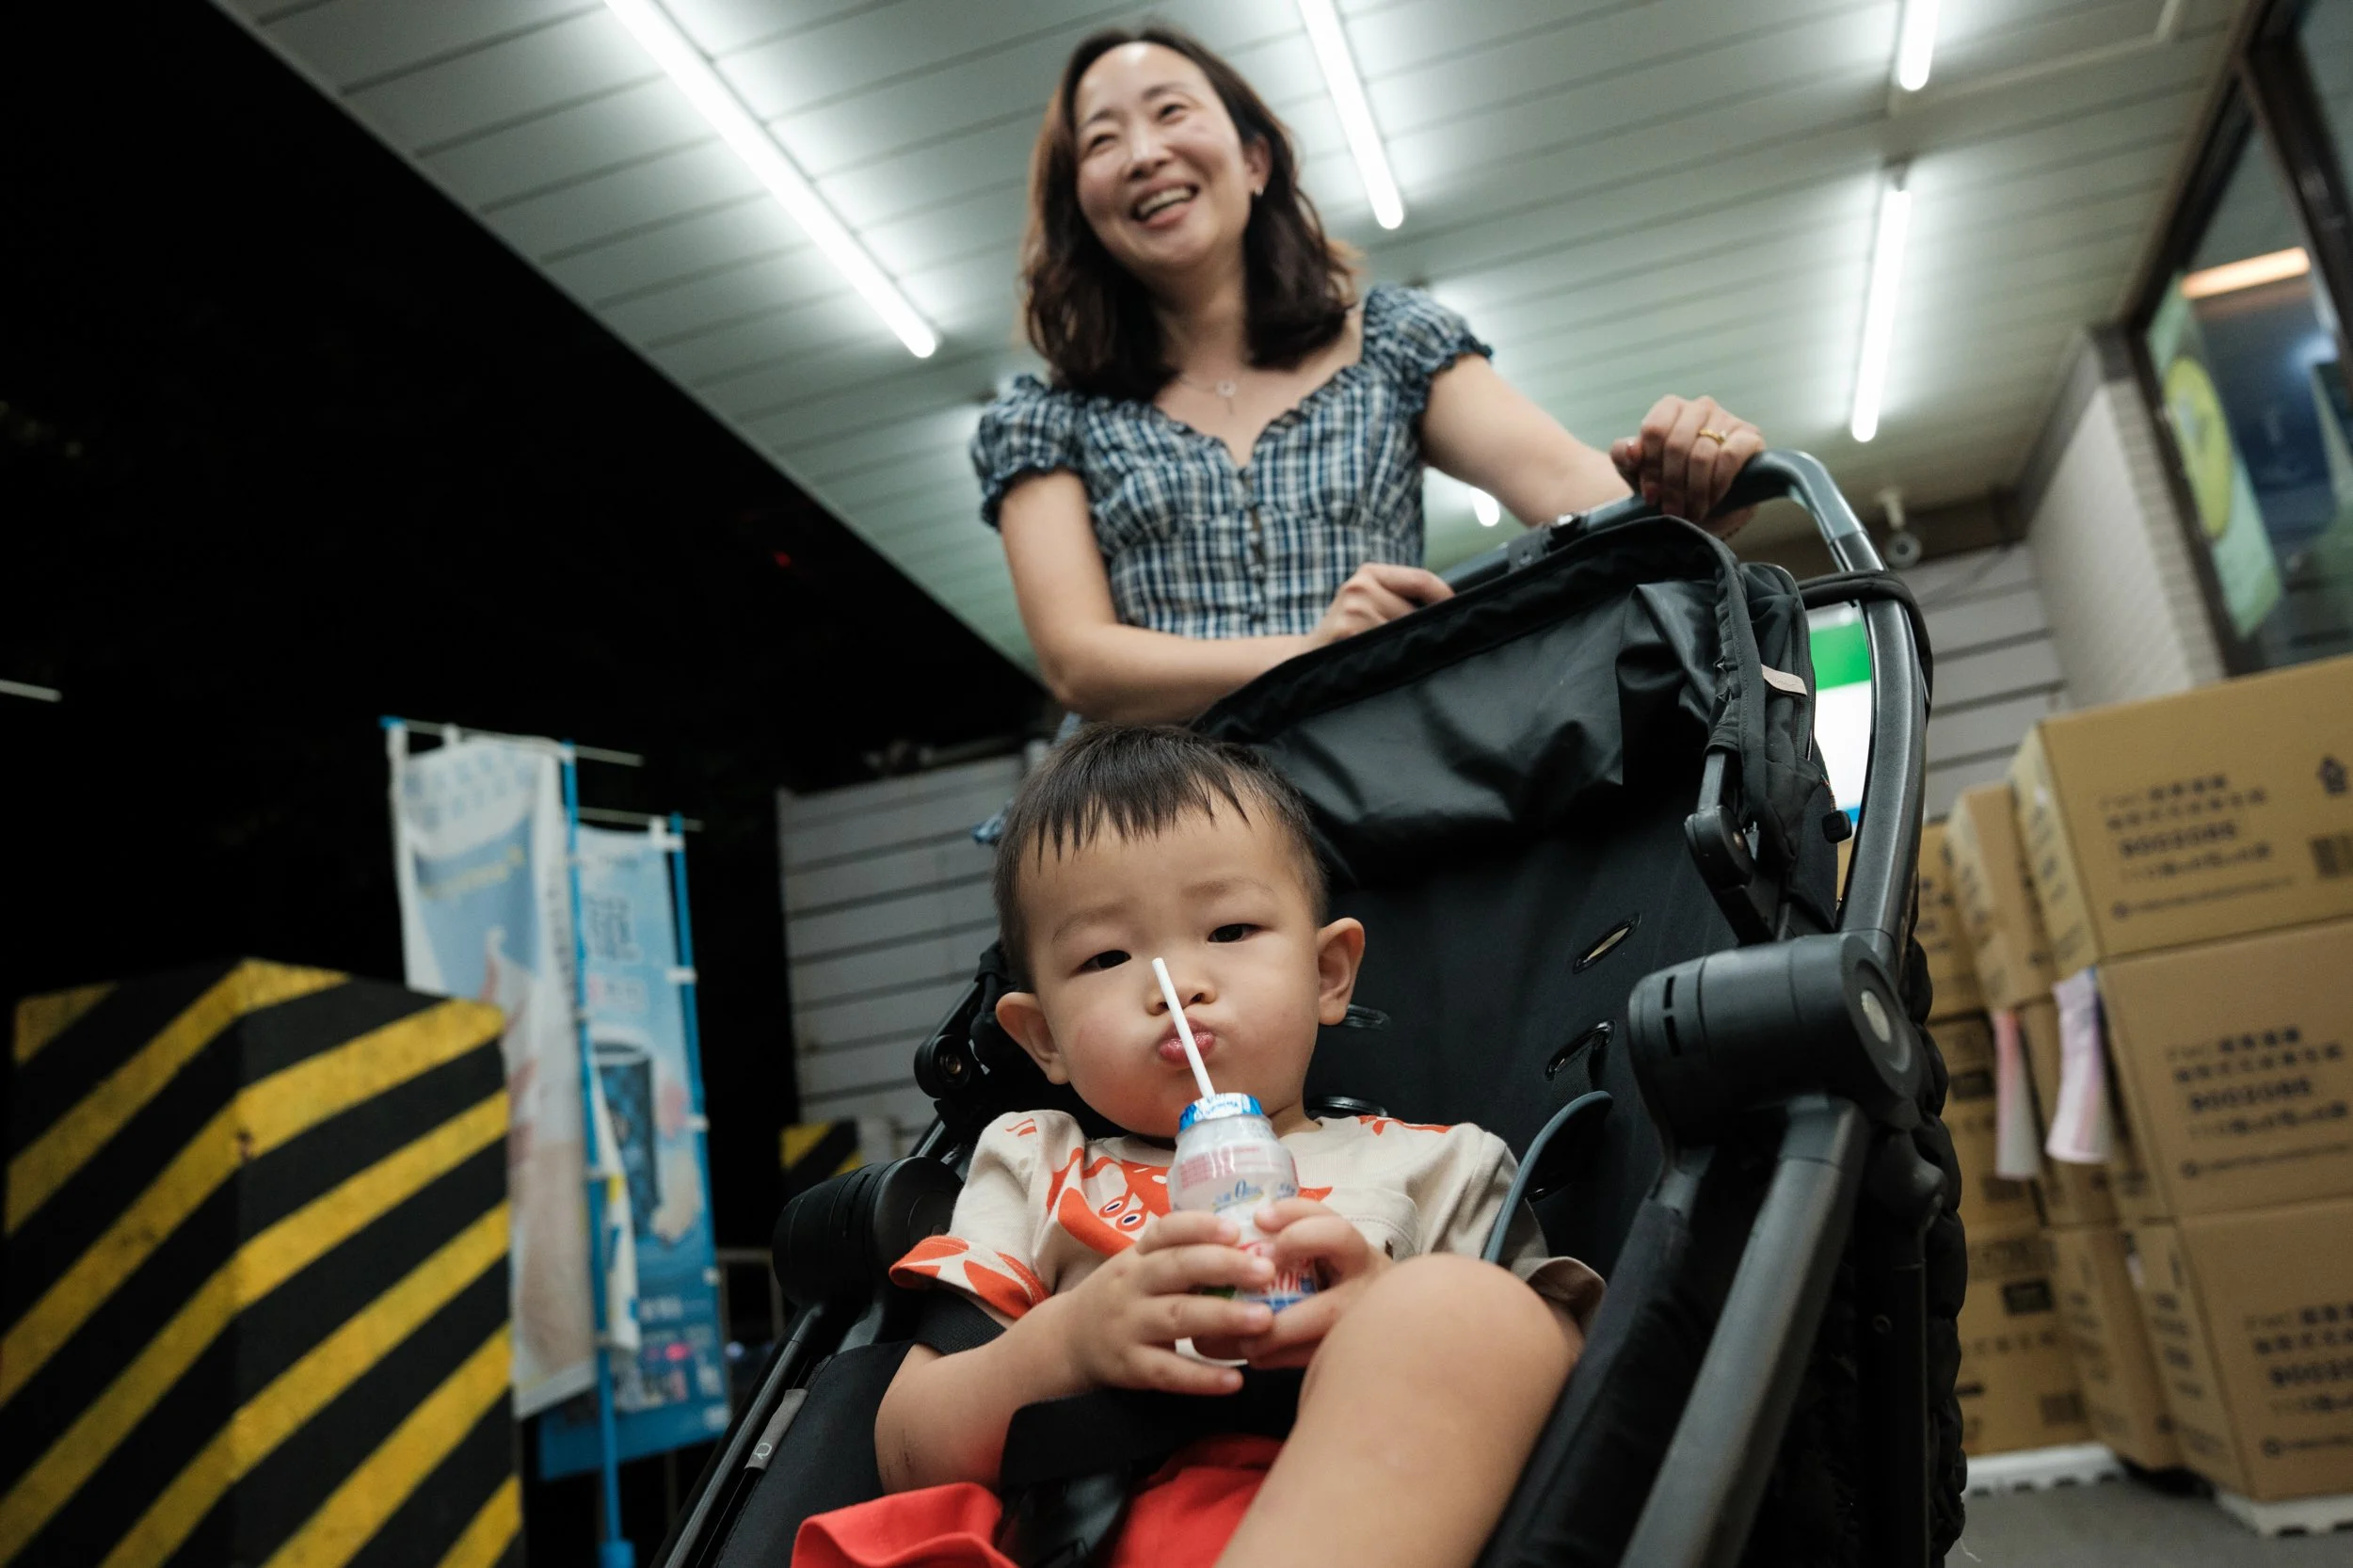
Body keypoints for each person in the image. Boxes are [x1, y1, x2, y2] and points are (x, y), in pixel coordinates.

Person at [792, 725, 1603, 1568]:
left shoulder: (1440, 1166)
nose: (1175, 983)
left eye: (1228, 932)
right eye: (1107, 955)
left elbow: (1580, 1380)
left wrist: (1382, 1314)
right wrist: (1067, 1346)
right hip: (1092, 1527)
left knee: (1469, 1313)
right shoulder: (1038, 1160)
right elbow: (907, 1450)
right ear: (1044, 1040)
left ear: (1328, 974)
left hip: (1351, 1506)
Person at [978, 26, 1768, 726]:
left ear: (1254, 161)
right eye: (1102, 140)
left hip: (1379, 785)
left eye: (1171, 111)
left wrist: (1689, 480)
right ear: (1081, 206)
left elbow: (1569, 484)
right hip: (1164, 824)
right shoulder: (1048, 421)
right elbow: (1078, 661)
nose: (1146, 153)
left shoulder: (1392, 344)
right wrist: (1319, 652)